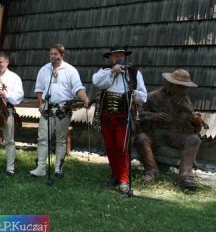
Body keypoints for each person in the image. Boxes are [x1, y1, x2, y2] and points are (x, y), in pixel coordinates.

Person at [134, 69, 206, 189]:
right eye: (180, 87)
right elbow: (139, 115)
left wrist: (194, 121)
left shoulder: (185, 100)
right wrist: (154, 116)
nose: (184, 90)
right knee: (141, 138)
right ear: (171, 85)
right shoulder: (153, 96)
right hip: (155, 134)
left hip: (175, 135)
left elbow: (190, 124)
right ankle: (151, 171)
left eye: (185, 87)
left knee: (194, 139)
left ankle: (185, 176)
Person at [29, 44, 90, 178]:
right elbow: (39, 89)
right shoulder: (44, 70)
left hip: (63, 108)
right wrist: (41, 103)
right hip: (47, 108)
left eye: (56, 54)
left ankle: (58, 168)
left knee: (61, 139)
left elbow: (78, 88)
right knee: (43, 138)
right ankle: (40, 168)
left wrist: (85, 99)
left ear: (62, 55)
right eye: (51, 54)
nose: (53, 56)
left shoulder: (70, 70)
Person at [92, 46, 147, 194]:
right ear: (110, 58)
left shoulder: (134, 72)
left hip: (123, 117)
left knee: (122, 148)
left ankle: (124, 179)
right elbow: (98, 82)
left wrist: (136, 95)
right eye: (115, 56)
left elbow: (143, 94)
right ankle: (115, 174)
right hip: (106, 117)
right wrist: (112, 72)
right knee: (110, 147)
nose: (118, 58)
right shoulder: (104, 71)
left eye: (121, 55)